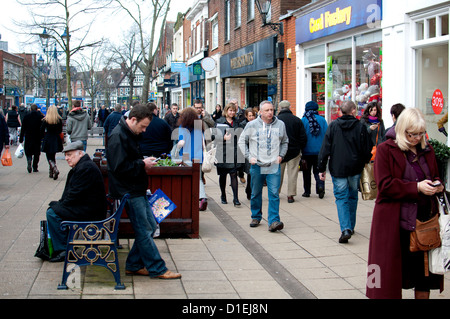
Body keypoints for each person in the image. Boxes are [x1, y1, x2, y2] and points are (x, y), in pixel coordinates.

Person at [366, 108, 444, 299]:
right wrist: (416, 188)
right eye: (412, 134)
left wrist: (437, 185)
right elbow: (385, 185)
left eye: (420, 133)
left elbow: (434, 174)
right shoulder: (385, 150)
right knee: (388, 278)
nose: (417, 138)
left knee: (424, 277)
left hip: (424, 224)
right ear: (402, 130)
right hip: (394, 224)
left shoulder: (427, 149)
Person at [106, 104, 181, 279]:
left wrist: (142, 160)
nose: (145, 130)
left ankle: (134, 264)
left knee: (150, 226)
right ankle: (157, 268)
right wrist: (142, 164)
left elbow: (127, 161)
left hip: (135, 188)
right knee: (145, 229)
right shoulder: (118, 136)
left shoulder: (127, 133)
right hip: (129, 190)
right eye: (143, 126)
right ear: (133, 120)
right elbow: (119, 167)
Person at [318, 101, 372, 243]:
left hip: (338, 167)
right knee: (352, 196)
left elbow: (325, 148)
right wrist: (366, 161)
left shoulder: (334, 126)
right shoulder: (360, 126)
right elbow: (367, 148)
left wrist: (321, 167)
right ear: (353, 110)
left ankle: (346, 228)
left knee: (341, 197)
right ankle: (350, 226)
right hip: (355, 167)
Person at [45, 140, 107, 262]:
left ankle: (64, 250)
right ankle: (65, 246)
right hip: (87, 207)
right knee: (53, 209)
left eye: (70, 155)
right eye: (66, 155)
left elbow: (75, 195)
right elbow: (74, 194)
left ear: (80, 153)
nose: (67, 158)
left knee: (52, 213)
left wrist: (59, 206)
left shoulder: (85, 168)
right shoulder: (82, 166)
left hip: (90, 212)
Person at [238, 100, 289, 232]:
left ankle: (274, 221)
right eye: (267, 110)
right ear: (260, 112)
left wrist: (281, 156)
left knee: (274, 193)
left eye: (271, 109)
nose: (270, 112)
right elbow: (242, 141)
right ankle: (256, 216)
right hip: (257, 165)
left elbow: (285, 141)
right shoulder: (252, 125)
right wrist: (250, 157)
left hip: (273, 165)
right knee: (255, 193)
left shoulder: (280, 124)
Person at [174, 107, 208, 211]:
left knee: (187, 179)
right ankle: (202, 197)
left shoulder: (182, 127)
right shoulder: (199, 126)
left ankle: (188, 199)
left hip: (186, 156)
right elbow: (203, 142)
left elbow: (181, 142)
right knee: (198, 178)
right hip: (198, 156)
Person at [277, 100, 307, 203]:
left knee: (278, 173)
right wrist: (300, 148)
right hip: (294, 151)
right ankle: (290, 195)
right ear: (290, 108)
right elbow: (303, 137)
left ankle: (276, 192)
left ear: (280, 108)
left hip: (279, 152)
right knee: (293, 174)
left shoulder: (276, 120)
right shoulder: (297, 120)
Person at [215, 103, 244, 207]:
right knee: (223, 176)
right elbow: (214, 137)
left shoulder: (237, 122)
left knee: (233, 175)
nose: (232, 113)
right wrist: (223, 138)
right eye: (230, 110)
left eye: (233, 111)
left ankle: (236, 198)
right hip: (222, 153)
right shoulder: (219, 122)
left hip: (234, 152)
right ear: (226, 111)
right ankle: (223, 195)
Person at [301, 101, 328, 199]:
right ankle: (320, 187)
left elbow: (301, 136)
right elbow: (327, 135)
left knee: (306, 172)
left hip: (306, 151)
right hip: (320, 152)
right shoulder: (322, 120)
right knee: (319, 171)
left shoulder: (303, 120)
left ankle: (307, 191)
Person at [19, 104, 44, 173]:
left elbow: (23, 128)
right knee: (36, 152)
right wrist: (42, 137)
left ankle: (29, 159)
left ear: (30, 109)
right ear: (36, 109)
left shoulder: (26, 117)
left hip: (28, 137)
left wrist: (21, 138)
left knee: (28, 150)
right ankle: (35, 166)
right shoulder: (40, 117)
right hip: (37, 137)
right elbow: (42, 128)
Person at [41, 105, 64, 180]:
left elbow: (41, 130)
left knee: (49, 156)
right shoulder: (59, 120)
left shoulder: (45, 120)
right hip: (56, 138)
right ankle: (51, 171)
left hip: (48, 138)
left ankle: (54, 169)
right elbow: (60, 130)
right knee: (53, 155)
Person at [239, 108, 257, 200]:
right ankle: (249, 190)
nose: (251, 117)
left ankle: (249, 190)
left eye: (253, 115)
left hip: (255, 151)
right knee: (249, 171)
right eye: (249, 116)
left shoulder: (258, 124)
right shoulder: (242, 125)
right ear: (246, 116)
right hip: (246, 151)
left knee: (252, 172)